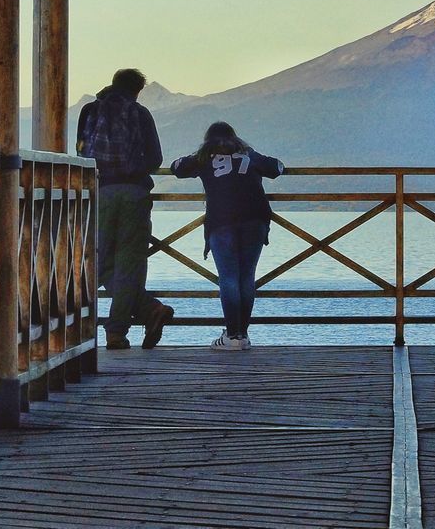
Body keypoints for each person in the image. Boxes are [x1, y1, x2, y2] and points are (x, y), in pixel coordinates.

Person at [77, 68, 174, 350]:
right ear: (137, 90)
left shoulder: (89, 111)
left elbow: (80, 150)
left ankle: (142, 313)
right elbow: (155, 157)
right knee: (129, 264)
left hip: (101, 192)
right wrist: (133, 170)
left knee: (101, 260)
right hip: (134, 193)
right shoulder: (140, 114)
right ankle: (124, 326)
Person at [170, 122, 284, 350]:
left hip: (221, 222)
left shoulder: (204, 158)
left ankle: (232, 335)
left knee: (228, 277)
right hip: (255, 219)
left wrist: (200, 155)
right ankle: (242, 334)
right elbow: (277, 168)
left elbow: (177, 168)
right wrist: (251, 154)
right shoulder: (249, 156)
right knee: (246, 276)